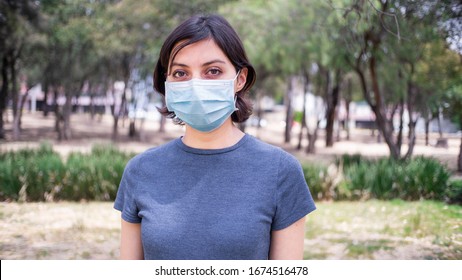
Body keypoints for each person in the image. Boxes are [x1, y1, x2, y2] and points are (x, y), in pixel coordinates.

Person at [114, 14, 316, 260]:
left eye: (213, 71)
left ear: (239, 79)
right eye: (180, 73)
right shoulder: (140, 171)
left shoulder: (280, 171)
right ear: (167, 83)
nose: (196, 84)